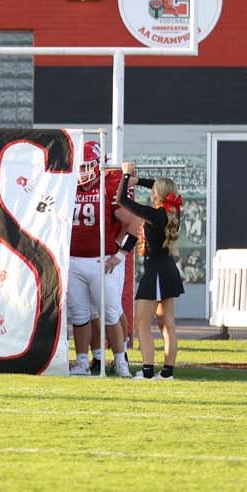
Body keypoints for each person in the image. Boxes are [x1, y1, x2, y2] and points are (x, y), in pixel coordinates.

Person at [65, 141, 135, 378]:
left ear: (98, 165)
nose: (82, 172)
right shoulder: (68, 187)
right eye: (80, 166)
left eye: (87, 166)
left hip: (101, 260)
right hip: (74, 259)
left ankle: (120, 360)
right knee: (80, 315)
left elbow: (133, 224)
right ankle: (83, 361)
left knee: (111, 312)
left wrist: (120, 254)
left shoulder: (109, 185)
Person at [116, 163, 183, 380]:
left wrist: (126, 175)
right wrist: (140, 181)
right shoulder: (173, 211)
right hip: (168, 269)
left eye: (154, 190)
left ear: (159, 194)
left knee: (142, 323)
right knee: (167, 324)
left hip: (156, 272)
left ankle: (146, 372)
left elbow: (122, 201)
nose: (151, 191)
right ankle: (167, 373)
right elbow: (160, 185)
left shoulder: (155, 215)